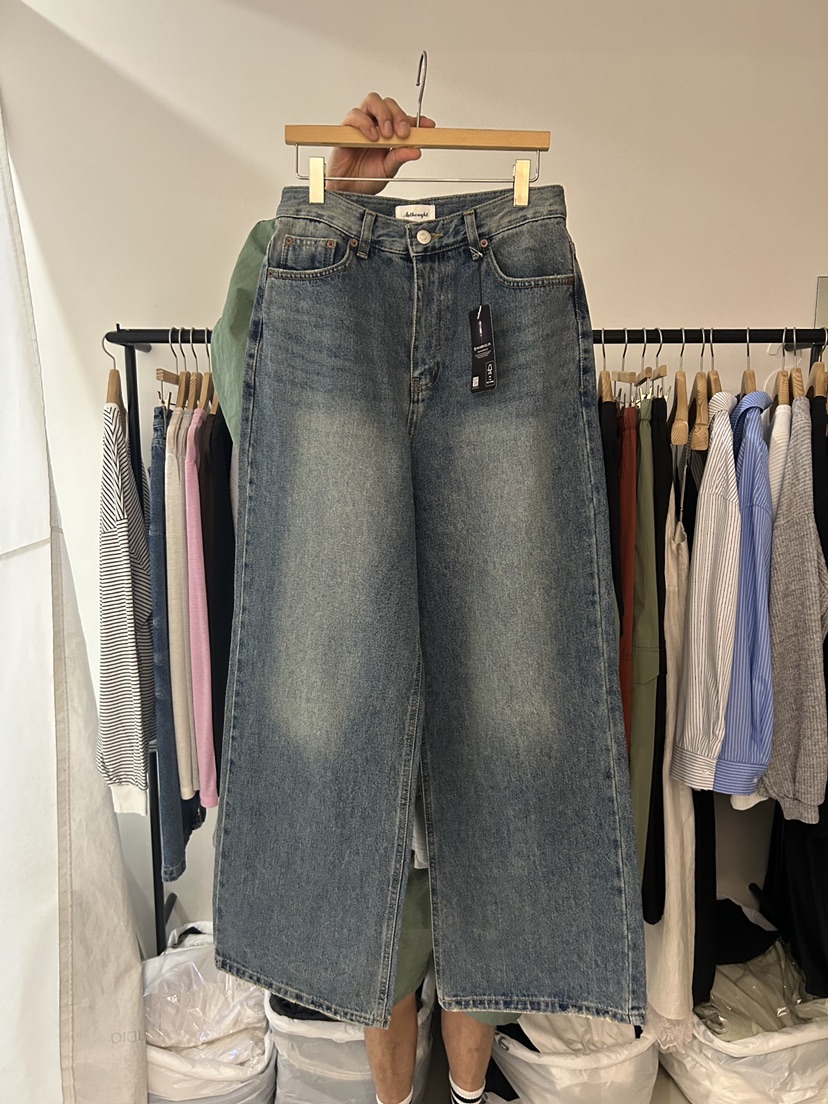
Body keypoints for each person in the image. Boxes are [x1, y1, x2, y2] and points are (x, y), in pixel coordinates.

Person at [326, 93, 504, 1104]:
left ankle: (467, 1096)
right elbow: (255, 385)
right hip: (358, 670)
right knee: (384, 920)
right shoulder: (295, 277)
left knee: (477, 887)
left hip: (468, 682)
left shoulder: (503, 288)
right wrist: (337, 209)